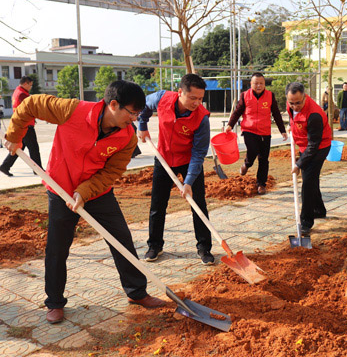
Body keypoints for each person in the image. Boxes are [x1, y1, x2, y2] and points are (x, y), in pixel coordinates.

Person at [2, 81, 165, 324]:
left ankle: (137, 292)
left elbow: (112, 172)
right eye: (131, 113)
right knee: (57, 249)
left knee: (121, 239)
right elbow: (31, 104)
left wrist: (85, 191)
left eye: (137, 115)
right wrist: (15, 136)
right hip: (60, 189)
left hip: (97, 193)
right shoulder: (72, 111)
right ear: (113, 105)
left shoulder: (127, 137)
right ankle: (55, 302)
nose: (133, 119)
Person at [137, 74, 213, 264]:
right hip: (163, 158)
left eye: (200, 98)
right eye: (193, 98)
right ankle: (155, 246)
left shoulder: (202, 118)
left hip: (189, 161)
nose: (197, 103)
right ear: (180, 92)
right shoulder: (162, 98)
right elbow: (144, 105)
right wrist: (142, 125)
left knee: (198, 205)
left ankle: (204, 248)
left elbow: (199, 153)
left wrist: (188, 182)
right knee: (157, 205)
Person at [225, 72, 287, 195]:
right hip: (249, 130)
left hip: (265, 132)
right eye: (256, 83)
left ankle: (261, 184)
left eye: (261, 83)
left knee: (264, 159)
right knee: (252, 150)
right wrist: (230, 125)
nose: (259, 85)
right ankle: (247, 164)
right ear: (251, 84)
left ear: (264, 84)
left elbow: (276, 113)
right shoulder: (245, 96)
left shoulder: (270, 96)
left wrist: (282, 130)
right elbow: (237, 112)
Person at [287, 82, 332, 235]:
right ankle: (319, 209)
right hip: (303, 146)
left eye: (298, 103)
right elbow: (294, 118)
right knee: (311, 179)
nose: (295, 106)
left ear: (305, 97)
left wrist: (299, 164)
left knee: (307, 182)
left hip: (319, 148)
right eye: (291, 103)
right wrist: (291, 126)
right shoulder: (291, 106)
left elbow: (314, 145)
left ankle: (306, 221)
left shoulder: (314, 115)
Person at [0, 76, 42, 177]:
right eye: (30, 85)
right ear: (25, 84)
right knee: (34, 148)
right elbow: (29, 108)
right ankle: (38, 170)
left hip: (21, 124)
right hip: (26, 125)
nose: (30, 87)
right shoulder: (22, 94)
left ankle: (5, 166)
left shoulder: (16, 92)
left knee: (20, 147)